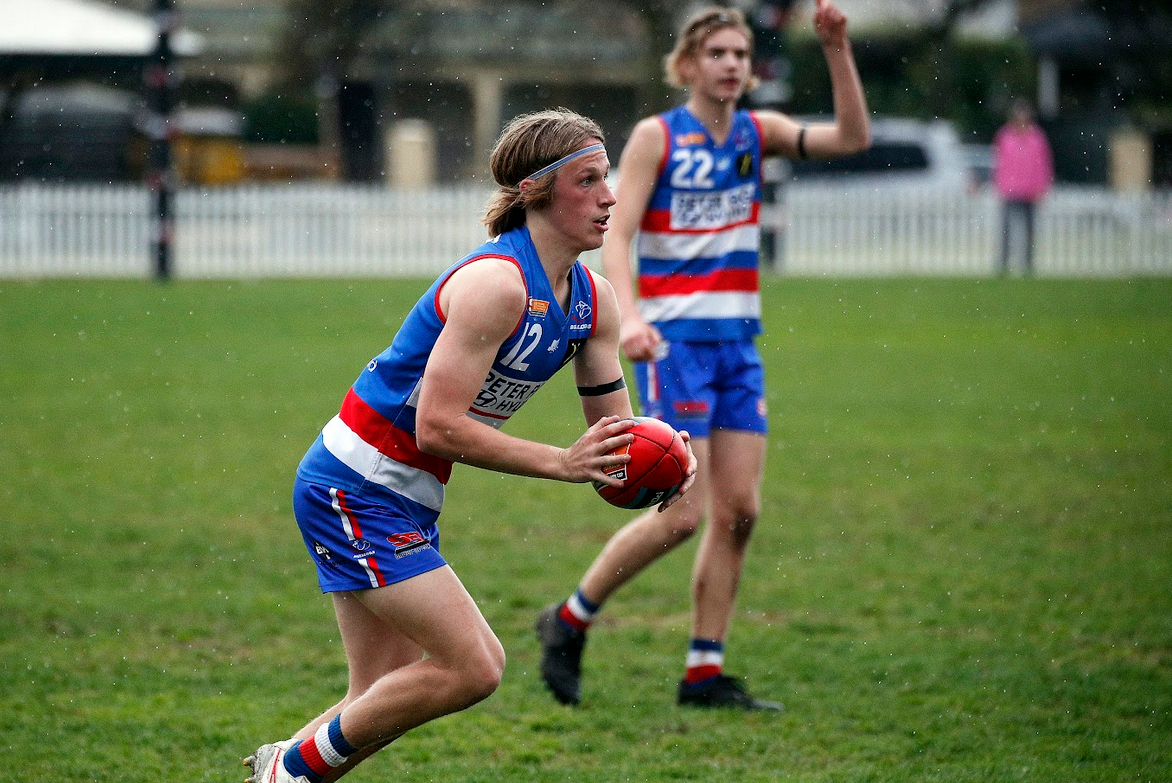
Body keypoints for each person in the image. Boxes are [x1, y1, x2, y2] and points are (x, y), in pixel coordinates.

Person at [243, 108, 696, 783]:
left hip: (404, 493)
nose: (610, 197)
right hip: (355, 482)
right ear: (535, 191)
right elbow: (437, 426)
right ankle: (289, 772)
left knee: (378, 697)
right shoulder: (495, 285)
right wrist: (561, 462)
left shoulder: (593, 303)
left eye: (609, 178)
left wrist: (661, 458)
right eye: (588, 180)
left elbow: (615, 445)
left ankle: (279, 773)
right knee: (474, 666)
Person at [535, 2, 870, 711]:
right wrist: (628, 320)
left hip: (738, 344)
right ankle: (570, 618)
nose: (731, 65)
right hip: (675, 345)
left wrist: (837, 47)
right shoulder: (657, 137)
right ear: (687, 65)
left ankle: (703, 672)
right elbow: (617, 234)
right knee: (684, 513)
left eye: (741, 54)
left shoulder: (757, 132)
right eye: (717, 53)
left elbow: (851, 137)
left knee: (740, 510)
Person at [993, 99, 1053, 275]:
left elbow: (1043, 164)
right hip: (1010, 189)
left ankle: (1027, 264)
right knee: (1006, 230)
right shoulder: (1005, 136)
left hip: (1030, 190)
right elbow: (999, 162)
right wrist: (1000, 184)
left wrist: (1042, 186)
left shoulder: (1037, 137)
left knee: (1029, 230)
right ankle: (1003, 264)